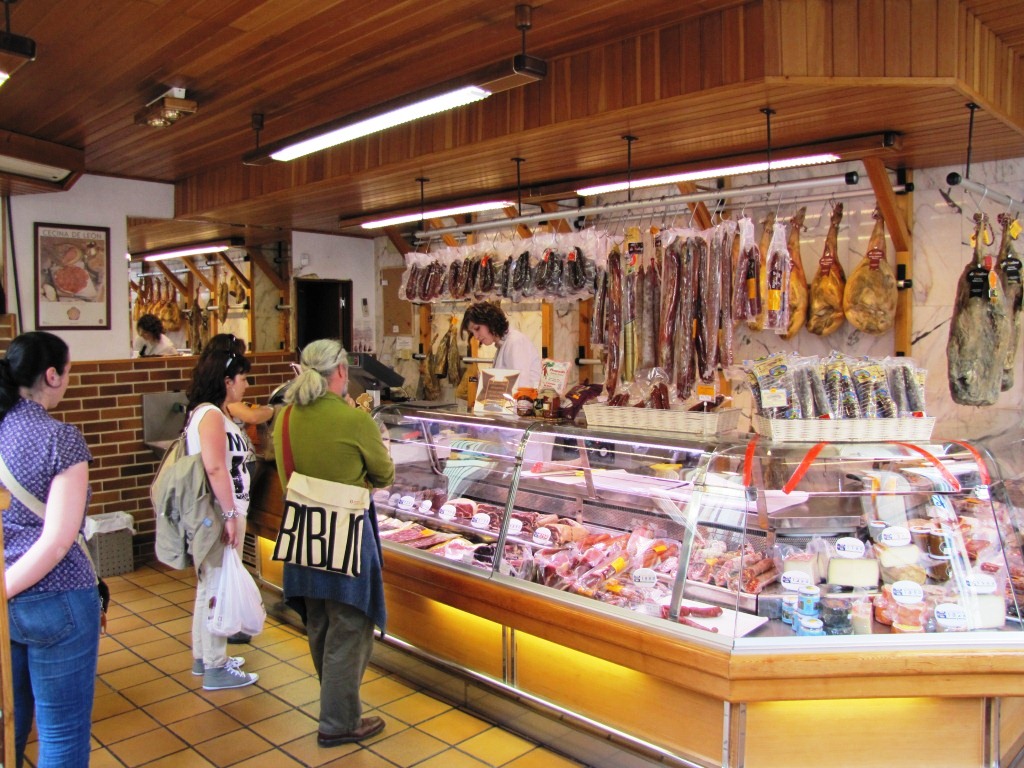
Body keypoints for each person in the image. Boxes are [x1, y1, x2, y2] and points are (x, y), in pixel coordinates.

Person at [272, 339, 394, 747]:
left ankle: (336, 707)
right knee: (350, 626)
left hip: (304, 531)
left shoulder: (285, 417)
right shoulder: (354, 420)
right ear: (341, 371)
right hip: (346, 533)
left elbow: (286, 477)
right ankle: (338, 722)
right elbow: (384, 475)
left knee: (319, 623)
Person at [0, 331, 99, 767]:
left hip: (7, 597)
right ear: (53, 375)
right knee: (61, 733)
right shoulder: (61, 438)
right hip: (58, 598)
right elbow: (58, 541)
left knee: (10, 725)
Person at [184, 348, 260, 690]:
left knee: (208, 585)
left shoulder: (206, 412)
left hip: (214, 513)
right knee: (217, 586)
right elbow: (215, 467)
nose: (246, 385)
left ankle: (204, 657)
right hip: (218, 513)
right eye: (243, 378)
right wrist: (230, 514)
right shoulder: (212, 415)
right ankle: (216, 666)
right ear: (227, 381)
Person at [461, 300, 542, 390]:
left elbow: (521, 388)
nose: (476, 336)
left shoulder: (515, 342)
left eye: (477, 328)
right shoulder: (503, 344)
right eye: (472, 332)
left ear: (490, 321)